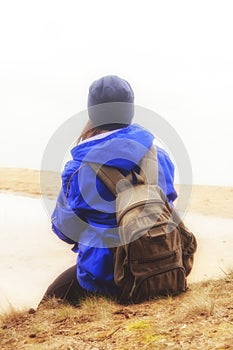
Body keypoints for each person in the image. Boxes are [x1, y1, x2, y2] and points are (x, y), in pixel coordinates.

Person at [40, 75, 177, 306]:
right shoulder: (159, 157)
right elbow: (168, 207)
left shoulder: (77, 170)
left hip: (104, 280)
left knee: (50, 301)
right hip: (163, 267)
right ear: (130, 111)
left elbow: (64, 231)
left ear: (92, 113)